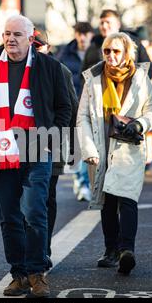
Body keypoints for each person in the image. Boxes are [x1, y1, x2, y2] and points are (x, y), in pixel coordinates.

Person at [0, 15, 71, 297]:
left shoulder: (49, 67)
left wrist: (51, 140)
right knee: (9, 216)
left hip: (37, 149)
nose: (11, 39)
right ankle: (18, 273)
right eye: (7, 34)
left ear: (31, 38)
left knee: (35, 212)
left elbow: (64, 109)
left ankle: (37, 273)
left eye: (17, 34)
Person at [77, 32, 152, 275]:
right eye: (106, 51)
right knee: (107, 202)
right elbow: (81, 116)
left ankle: (127, 250)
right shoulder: (92, 78)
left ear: (127, 54)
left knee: (127, 198)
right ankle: (110, 250)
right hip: (101, 146)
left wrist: (140, 124)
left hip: (128, 147)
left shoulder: (141, 78)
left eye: (116, 51)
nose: (110, 56)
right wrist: (89, 148)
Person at [32, 29, 79, 270]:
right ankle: (32, 251)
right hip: (22, 145)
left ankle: (43, 249)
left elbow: (71, 108)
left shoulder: (59, 70)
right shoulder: (15, 70)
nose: (35, 50)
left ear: (47, 48)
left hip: (52, 145)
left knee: (45, 198)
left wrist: (72, 147)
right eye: (32, 44)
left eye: (39, 46)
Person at [56, 21, 94, 202]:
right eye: (79, 33)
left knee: (88, 145)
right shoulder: (65, 53)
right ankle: (81, 181)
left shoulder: (98, 52)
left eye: (86, 34)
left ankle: (84, 181)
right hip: (72, 105)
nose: (82, 37)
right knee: (77, 146)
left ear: (91, 35)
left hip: (92, 106)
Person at [81, 9, 152, 78]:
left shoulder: (133, 43)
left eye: (108, 22)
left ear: (118, 24)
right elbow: (84, 74)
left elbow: (148, 69)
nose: (104, 26)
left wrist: (137, 87)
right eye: (102, 23)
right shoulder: (93, 47)